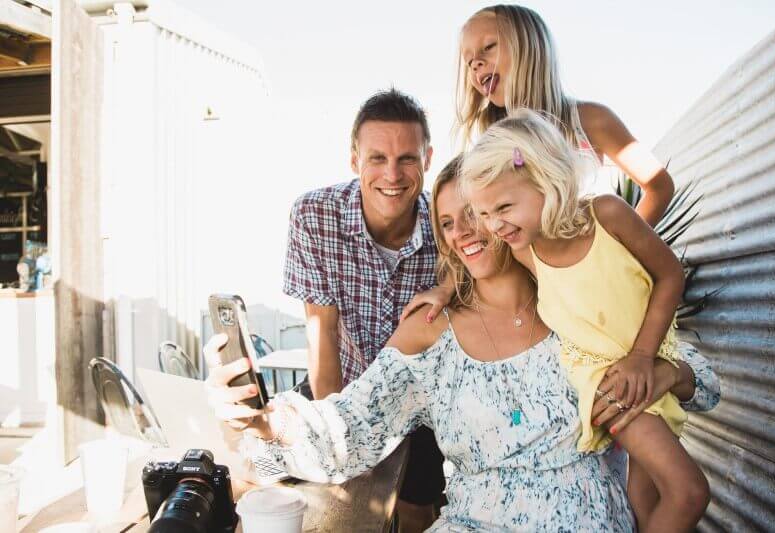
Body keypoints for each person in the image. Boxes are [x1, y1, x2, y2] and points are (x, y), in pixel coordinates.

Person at [204, 157, 720, 532]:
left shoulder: (571, 307)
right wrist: (265, 420)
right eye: (447, 223)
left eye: (473, 213)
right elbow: (349, 428)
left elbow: (699, 377)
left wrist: (664, 374)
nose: (463, 233)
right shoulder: (431, 331)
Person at [459, 110, 710, 532]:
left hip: (648, 362)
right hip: (606, 383)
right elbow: (473, 271)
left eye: (503, 206)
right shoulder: (524, 253)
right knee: (689, 492)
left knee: (645, 501)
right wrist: (443, 291)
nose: (494, 224)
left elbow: (670, 274)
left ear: (548, 181)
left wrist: (645, 356)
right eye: (484, 214)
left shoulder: (608, 215)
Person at [280, 88, 444, 530]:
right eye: (377, 158)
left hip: (418, 401)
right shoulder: (314, 216)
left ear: (428, 159)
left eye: (407, 158)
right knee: (311, 496)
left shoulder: (447, 226)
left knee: (416, 506)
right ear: (354, 160)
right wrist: (337, 439)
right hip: (342, 385)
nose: (392, 174)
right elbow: (322, 334)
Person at [457, 4, 674, 226]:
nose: (476, 63)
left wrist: (623, 248)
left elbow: (660, 186)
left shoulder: (591, 120)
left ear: (530, 47)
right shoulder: (491, 144)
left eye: (489, 46)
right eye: (469, 61)